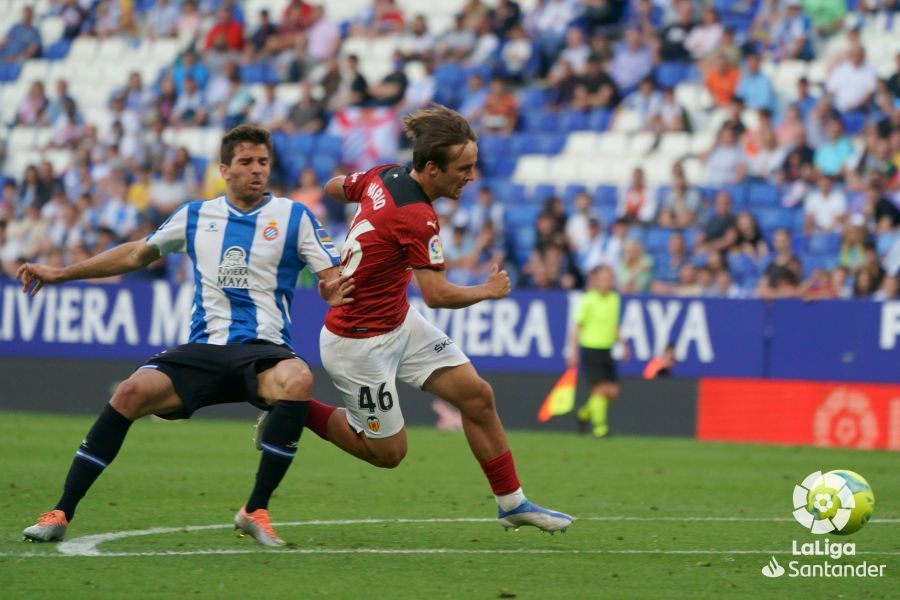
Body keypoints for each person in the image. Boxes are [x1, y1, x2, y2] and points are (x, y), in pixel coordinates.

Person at [18, 125, 354, 546]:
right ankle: (60, 512)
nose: (256, 170)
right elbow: (136, 253)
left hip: (264, 352)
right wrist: (62, 274)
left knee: (299, 379)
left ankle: (255, 509)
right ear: (224, 170)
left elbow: (331, 275)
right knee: (130, 392)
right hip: (203, 349)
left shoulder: (294, 217)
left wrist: (331, 288)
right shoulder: (195, 215)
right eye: (246, 162)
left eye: (263, 162)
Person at [288, 104, 572, 533]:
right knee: (389, 453)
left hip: (398, 322)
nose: (471, 176)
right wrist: (488, 290)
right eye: (464, 168)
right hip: (358, 343)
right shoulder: (418, 217)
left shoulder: (384, 175)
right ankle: (292, 406)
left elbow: (332, 188)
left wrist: (350, 244)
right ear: (433, 169)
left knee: (476, 396)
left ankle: (512, 503)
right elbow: (437, 295)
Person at [568, 265, 629, 439]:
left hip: (607, 349)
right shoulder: (588, 299)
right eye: (604, 278)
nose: (608, 281)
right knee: (599, 390)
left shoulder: (614, 299)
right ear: (596, 280)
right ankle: (600, 428)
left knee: (612, 392)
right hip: (591, 348)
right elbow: (577, 327)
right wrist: (573, 351)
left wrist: (623, 344)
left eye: (610, 278)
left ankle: (585, 413)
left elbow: (614, 325)